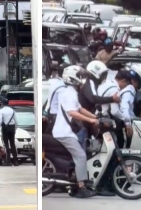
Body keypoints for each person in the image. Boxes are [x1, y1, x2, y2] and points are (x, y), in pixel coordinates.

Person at [53, 65, 99, 198]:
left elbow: (79, 109)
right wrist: (90, 121)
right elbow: (72, 112)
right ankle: (81, 188)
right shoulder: (68, 93)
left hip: (66, 131)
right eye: (80, 76)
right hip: (64, 133)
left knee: (78, 156)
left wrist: (96, 117)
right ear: (73, 78)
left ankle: (74, 184)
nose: (82, 79)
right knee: (81, 156)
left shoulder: (71, 92)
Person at [118, 64, 141, 148]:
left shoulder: (129, 90)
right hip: (122, 125)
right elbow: (124, 108)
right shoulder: (130, 90)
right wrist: (128, 124)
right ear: (136, 80)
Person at [0, 98, 19, 166]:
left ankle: (8, 161)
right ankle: (15, 161)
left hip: (5, 128)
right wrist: (15, 128)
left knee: (6, 144)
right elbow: (16, 121)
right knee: (12, 144)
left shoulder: (1, 111)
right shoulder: (12, 110)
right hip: (12, 128)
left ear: (2, 103)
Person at [45, 64, 67, 134]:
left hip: (52, 115)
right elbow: (65, 105)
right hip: (58, 117)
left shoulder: (54, 83)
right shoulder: (62, 87)